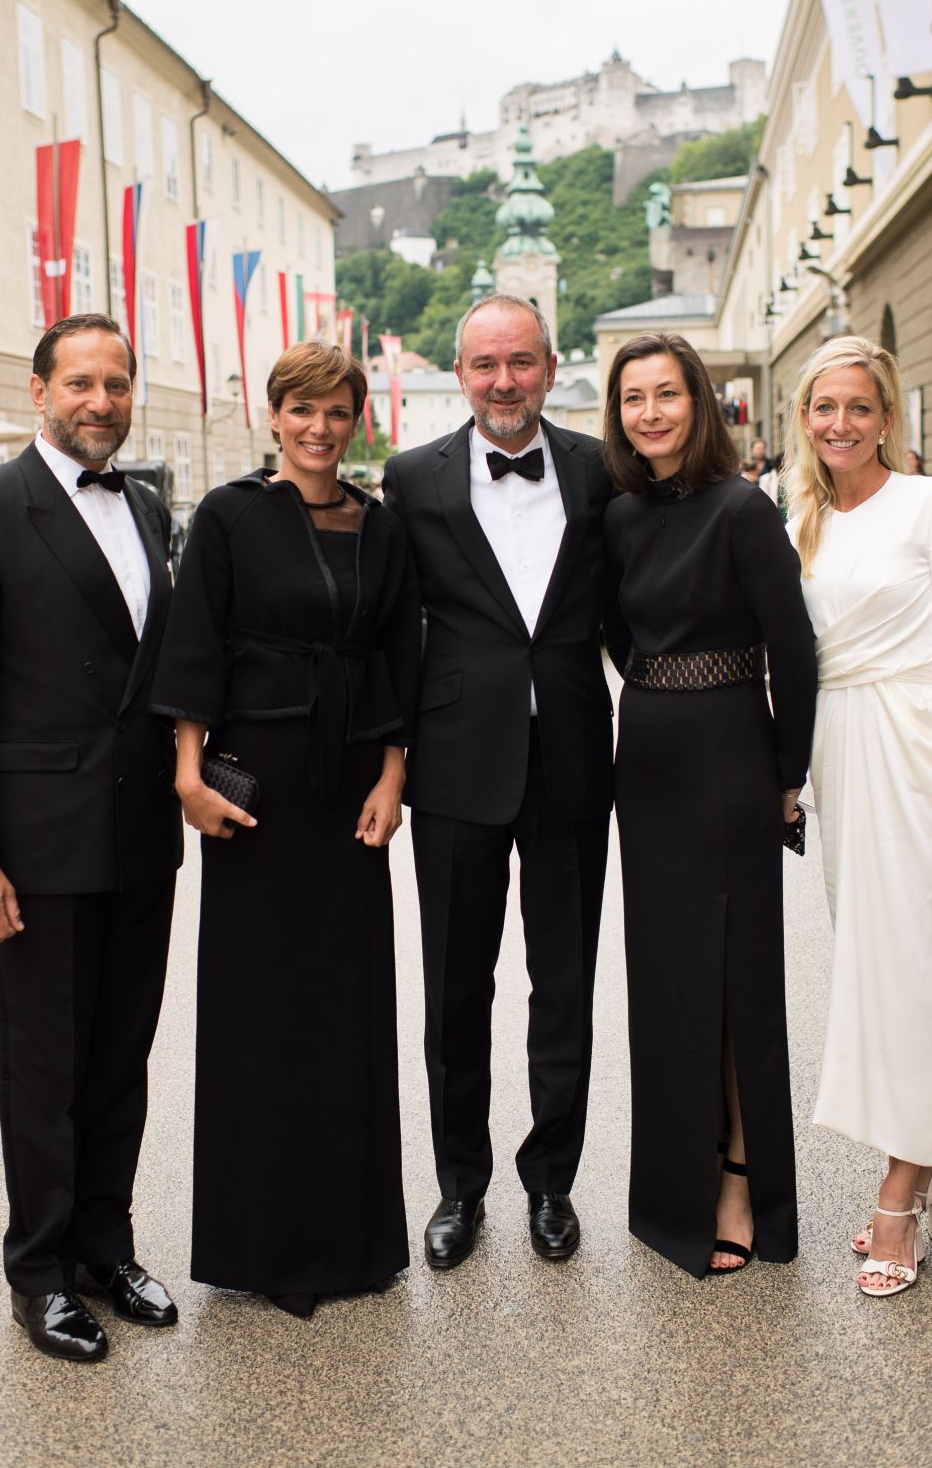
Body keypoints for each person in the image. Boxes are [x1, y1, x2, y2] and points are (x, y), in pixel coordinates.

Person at [0, 314, 182, 1363]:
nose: (101, 402)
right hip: (31, 848)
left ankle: (104, 1247)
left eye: (116, 384)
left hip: (139, 839)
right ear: (39, 392)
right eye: (80, 383)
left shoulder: (150, 504)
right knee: (40, 1071)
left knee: (121, 1059)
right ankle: (38, 1270)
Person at [150, 342, 419, 1319]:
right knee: (259, 1013)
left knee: (346, 1011)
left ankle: (352, 1239)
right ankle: (260, 1240)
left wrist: (395, 775)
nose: (319, 427)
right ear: (274, 414)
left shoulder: (382, 525)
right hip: (257, 784)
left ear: (356, 420)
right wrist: (186, 773)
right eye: (302, 409)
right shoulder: (228, 514)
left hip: (352, 783)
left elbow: (400, 650)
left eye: (337, 411)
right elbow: (195, 640)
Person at [381, 295, 618, 1271]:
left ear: (552, 366)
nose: (505, 380)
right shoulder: (411, 477)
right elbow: (392, 629)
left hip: (571, 756)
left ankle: (552, 1179)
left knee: (563, 983)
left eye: (521, 361)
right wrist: (386, 761)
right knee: (454, 989)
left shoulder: (602, 472)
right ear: (461, 370)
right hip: (454, 767)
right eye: (485, 364)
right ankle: (460, 1184)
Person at [784, 336, 932, 1298]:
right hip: (846, 758)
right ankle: (927, 1167)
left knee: (928, 969)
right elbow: (795, 664)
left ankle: (898, 1196)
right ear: (803, 418)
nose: (838, 423)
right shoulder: (797, 513)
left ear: (887, 417)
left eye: (857, 407)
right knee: (880, 970)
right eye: (822, 407)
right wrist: (788, 773)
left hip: (926, 754)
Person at [603, 332, 817, 1279]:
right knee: (666, 982)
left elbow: (794, 651)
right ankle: (674, 1185)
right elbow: (615, 633)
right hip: (645, 762)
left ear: (699, 403)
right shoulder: (616, 517)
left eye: (666, 394)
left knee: (732, 980)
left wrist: (786, 774)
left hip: (731, 759)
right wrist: (658, 690)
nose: (649, 412)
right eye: (632, 399)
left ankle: (737, 1175)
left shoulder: (741, 509)